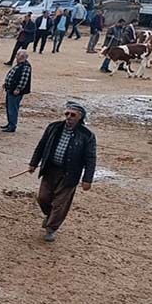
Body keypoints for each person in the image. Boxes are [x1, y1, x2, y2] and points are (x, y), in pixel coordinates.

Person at [27, 102, 96, 242]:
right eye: (67, 114)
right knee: (42, 198)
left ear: (80, 117)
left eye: (73, 115)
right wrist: (33, 163)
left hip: (70, 174)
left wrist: (87, 179)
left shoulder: (87, 135)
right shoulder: (53, 127)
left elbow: (90, 158)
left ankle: (51, 228)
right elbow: (41, 145)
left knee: (60, 203)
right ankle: (50, 216)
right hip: (49, 169)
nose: (69, 117)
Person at [0, 51, 32, 133]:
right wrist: (6, 84)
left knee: (13, 108)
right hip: (10, 89)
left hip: (15, 91)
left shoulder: (25, 66)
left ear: (22, 57)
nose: (16, 56)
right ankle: (10, 123)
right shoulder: (20, 65)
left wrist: (18, 89)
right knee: (9, 107)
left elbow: (23, 80)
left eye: (18, 55)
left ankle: (12, 125)